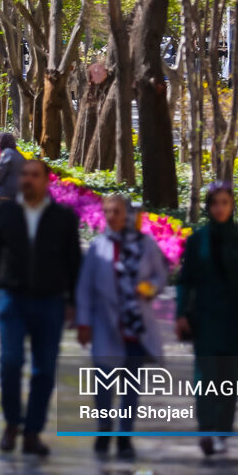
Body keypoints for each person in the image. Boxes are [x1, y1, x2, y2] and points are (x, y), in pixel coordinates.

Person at [0, 159, 81, 456]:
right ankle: (12, 424)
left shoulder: (62, 218)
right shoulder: (4, 213)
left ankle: (33, 431)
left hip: (50, 302)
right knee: (10, 363)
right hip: (12, 298)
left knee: (44, 370)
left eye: (34, 175)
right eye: (24, 174)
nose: (28, 179)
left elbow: (73, 263)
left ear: (46, 181)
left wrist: (74, 302)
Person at [75, 195, 168, 460]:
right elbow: (85, 287)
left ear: (126, 213)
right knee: (103, 382)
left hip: (136, 326)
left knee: (130, 385)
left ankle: (124, 435)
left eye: (116, 211)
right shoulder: (98, 247)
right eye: (107, 211)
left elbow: (160, 276)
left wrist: (150, 288)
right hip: (105, 324)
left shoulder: (145, 245)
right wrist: (83, 322)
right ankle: (104, 428)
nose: (111, 216)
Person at [176, 181, 238, 457]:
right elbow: (185, 281)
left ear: (232, 205)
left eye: (225, 202)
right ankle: (207, 430)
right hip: (206, 318)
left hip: (234, 321)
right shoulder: (197, 240)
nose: (220, 208)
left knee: (229, 380)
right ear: (208, 207)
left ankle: (223, 431)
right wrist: (181, 314)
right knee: (207, 378)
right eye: (215, 203)